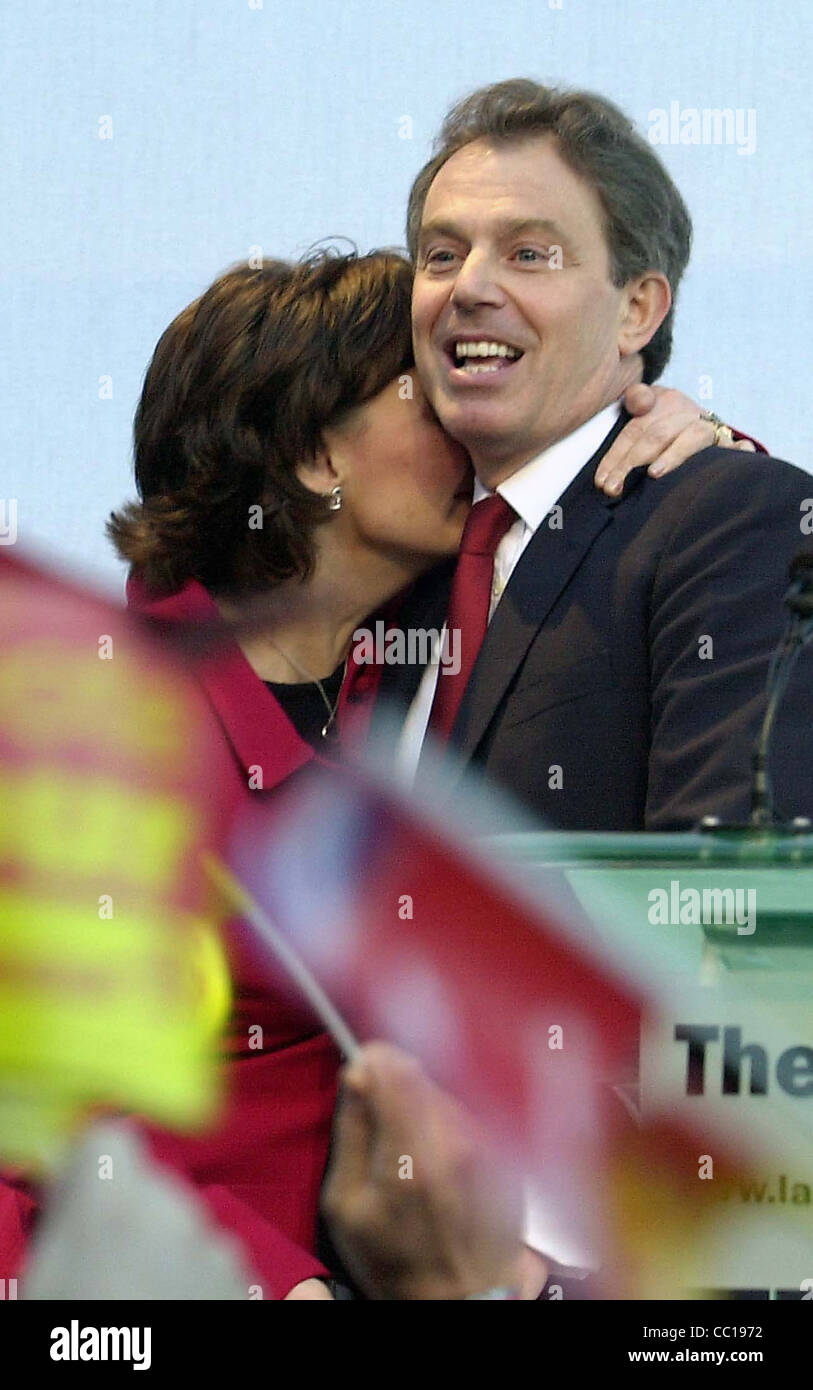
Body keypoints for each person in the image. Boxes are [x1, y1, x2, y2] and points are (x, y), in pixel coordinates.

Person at [384, 79, 813, 832]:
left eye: (527, 253)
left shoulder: (731, 521)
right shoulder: (402, 555)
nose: (470, 287)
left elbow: (727, 898)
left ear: (635, 309)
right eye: (441, 254)